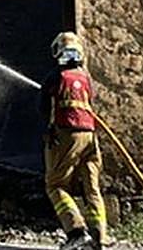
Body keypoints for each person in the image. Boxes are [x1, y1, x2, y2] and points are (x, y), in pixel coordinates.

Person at [41, 31, 107, 250]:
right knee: (91, 186)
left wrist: (48, 130)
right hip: (90, 137)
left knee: (56, 185)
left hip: (67, 134)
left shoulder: (55, 77)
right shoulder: (85, 77)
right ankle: (99, 239)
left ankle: (76, 232)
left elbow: (43, 110)